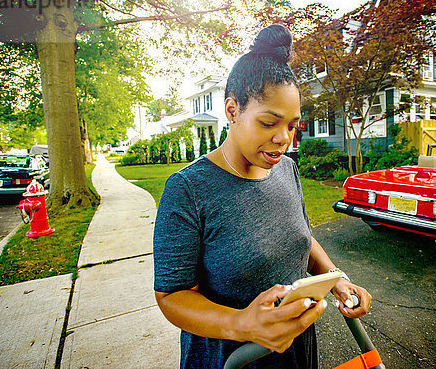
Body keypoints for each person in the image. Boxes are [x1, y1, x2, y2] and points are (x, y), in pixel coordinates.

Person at [153, 24, 372, 369]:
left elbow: (300, 237)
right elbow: (171, 296)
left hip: (296, 353)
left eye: (292, 125)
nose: (284, 138)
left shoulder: (286, 170)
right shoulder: (188, 190)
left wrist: (337, 280)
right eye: (269, 123)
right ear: (232, 110)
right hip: (232, 358)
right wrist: (243, 324)